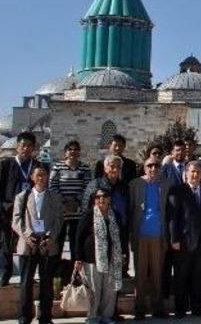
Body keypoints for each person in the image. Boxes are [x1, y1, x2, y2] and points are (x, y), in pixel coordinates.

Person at [0, 131, 47, 286]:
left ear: (34, 148)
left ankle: (28, 276)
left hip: (31, 212)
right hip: (10, 209)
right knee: (7, 244)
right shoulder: (6, 164)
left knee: (32, 243)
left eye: (29, 146)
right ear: (17, 146)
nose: (26, 149)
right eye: (23, 145)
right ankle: (5, 274)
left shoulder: (38, 166)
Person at [12, 166, 62, 324]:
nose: (41, 178)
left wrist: (51, 236)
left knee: (46, 283)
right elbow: (16, 219)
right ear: (33, 178)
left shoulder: (54, 196)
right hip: (28, 244)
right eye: (38, 175)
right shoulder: (23, 196)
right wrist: (27, 235)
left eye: (44, 175)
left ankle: (45, 316)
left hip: (47, 244)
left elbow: (59, 219)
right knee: (26, 283)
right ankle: (24, 317)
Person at [128, 154, 172, 320]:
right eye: (150, 166)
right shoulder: (135, 184)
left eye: (156, 166)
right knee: (140, 274)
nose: (153, 169)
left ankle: (158, 307)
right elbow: (131, 210)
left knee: (157, 273)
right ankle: (139, 308)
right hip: (140, 235)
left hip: (159, 235)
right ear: (144, 167)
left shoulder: (166, 184)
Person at [167, 162, 201, 318]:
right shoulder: (177, 191)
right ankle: (180, 309)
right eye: (192, 172)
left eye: (198, 172)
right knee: (181, 276)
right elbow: (173, 217)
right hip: (183, 241)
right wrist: (174, 239)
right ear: (186, 174)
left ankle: (197, 308)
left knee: (199, 276)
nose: (195, 175)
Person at [74, 186, 124, 324]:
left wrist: (123, 253)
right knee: (94, 290)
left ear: (109, 199)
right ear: (94, 200)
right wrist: (78, 258)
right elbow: (79, 237)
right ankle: (93, 316)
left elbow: (122, 236)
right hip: (91, 259)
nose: (101, 199)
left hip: (112, 258)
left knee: (110, 289)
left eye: (104, 196)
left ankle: (106, 316)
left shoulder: (115, 215)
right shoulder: (88, 215)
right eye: (98, 197)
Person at [82, 155, 130, 286]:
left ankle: (112, 303)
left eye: (118, 167)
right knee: (99, 276)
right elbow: (86, 210)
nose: (114, 169)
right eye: (112, 166)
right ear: (105, 168)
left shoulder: (124, 187)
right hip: (99, 235)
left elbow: (128, 209)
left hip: (119, 232)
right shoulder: (95, 185)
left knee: (116, 273)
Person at [49, 139, 91, 284]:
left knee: (76, 245)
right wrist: (64, 203)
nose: (73, 152)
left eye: (75, 149)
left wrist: (76, 203)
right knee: (58, 244)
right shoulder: (58, 167)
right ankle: (56, 275)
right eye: (70, 149)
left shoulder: (84, 169)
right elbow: (53, 187)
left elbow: (87, 189)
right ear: (65, 152)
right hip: (61, 214)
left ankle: (76, 277)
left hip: (77, 214)